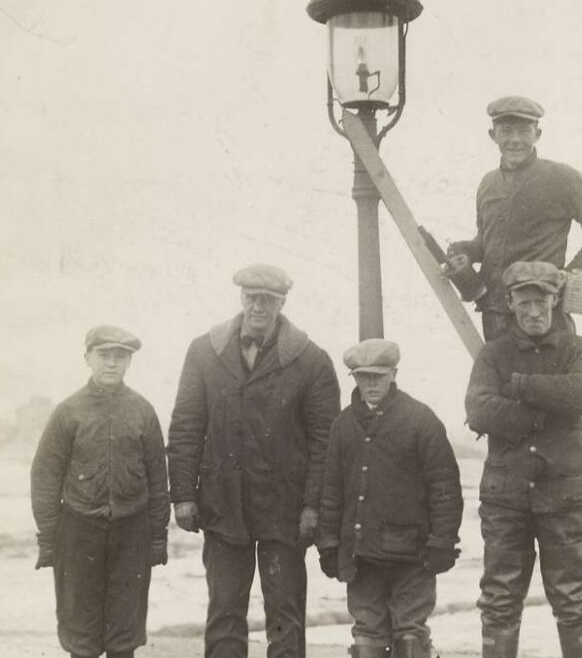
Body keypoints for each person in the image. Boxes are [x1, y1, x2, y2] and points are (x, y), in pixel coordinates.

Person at [167, 263, 340, 658]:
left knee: (285, 614)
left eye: (268, 300)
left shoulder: (311, 360)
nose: (258, 307)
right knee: (224, 612)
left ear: (282, 304)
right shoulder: (204, 352)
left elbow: (325, 444)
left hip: (285, 510)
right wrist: (182, 495)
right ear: (241, 299)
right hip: (222, 506)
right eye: (251, 298)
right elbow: (186, 427)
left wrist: (313, 507)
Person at [465, 261, 582, 658]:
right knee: (499, 602)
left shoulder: (581, 350)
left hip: (564, 499)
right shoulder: (493, 355)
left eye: (541, 299)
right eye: (524, 301)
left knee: (573, 602)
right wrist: (544, 412)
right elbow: (478, 410)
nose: (533, 310)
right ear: (509, 303)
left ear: (556, 299)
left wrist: (521, 386)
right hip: (505, 499)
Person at [318, 338, 463, 658]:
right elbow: (331, 490)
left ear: (394, 374)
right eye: (363, 376)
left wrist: (443, 541)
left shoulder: (421, 420)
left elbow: (445, 488)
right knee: (367, 635)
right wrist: (328, 542)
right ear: (353, 377)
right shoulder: (342, 425)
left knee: (411, 633)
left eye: (379, 376)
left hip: (412, 556)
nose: (371, 384)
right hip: (361, 555)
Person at [30, 325, 169, 658]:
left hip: (131, 533)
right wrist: (49, 540)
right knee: (81, 632)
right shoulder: (68, 412)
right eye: (104, 356)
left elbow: (158, 479)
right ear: (88, 358)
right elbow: (45, 478)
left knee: (124, 633)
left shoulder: (143, 411)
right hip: (78, 533)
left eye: (120, 357)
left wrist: (157, 538)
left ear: (129, 362)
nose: (112, 363)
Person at [446, 95, 582, 341]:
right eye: (506, 131)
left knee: (544, 379)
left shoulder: (561, 177)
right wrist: (468, 251)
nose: (515, 140)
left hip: (542, 312)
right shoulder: (487, 184)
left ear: (538, 134)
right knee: (500, 379)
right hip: (494, 311)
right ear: (492, 135)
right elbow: (487, 242)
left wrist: (568, 275)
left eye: (524, 131)